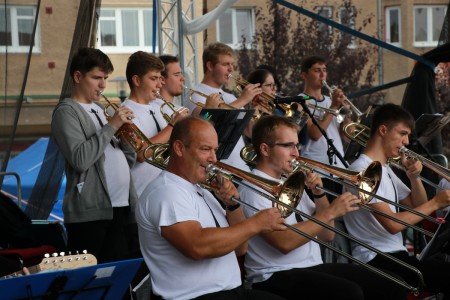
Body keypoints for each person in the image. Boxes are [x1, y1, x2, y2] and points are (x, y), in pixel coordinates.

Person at [238, 114, 408, 300]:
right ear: (265, 149)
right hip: (274, 273)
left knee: (393, 284)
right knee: (350, 293)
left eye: (297, 145)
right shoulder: (253, 187)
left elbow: (328, 235)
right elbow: (284, 243)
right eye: (288, 146)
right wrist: (330, 211)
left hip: (309, 266)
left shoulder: (290, 182)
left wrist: (319, 194)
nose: (296, 153)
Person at [135, 116, 287, 300]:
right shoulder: (166, 191)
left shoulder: (201, 189)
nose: (213, 159)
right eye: (205, 149)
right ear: (179, 148)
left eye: (215, 150)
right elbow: (196, 246)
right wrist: (256, 223)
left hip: (229, 292)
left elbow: (240, 248)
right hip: (196, 297)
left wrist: (233, 206)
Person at [343, 103, 450, 298]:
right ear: (383, 130)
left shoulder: (386, 170)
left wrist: (414, 176)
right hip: (374, 257)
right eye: (402, 133)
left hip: (394, 253)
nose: (406, 142)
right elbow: (392, 224)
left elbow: (418, 208)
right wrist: (436, 202)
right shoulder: (360, 170)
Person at [51, 48, 138, 263]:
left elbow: (128, 160)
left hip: (120, 207)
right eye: (96, 77)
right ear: (78, 76)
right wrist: (112, 125)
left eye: (105, 78)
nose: (103, 85)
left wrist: (128, 139)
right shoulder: (66, 111)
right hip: (91, 214)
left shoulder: (101, 110)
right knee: (91, 281)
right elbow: (80, 159)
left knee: (120, 278)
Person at [186, 42, 263, 171]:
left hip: (240, 166)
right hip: (217, 167)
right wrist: (243, 99)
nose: (231, 69)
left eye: (232, 64)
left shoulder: (231, 97)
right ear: (210, 66)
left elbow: (249, 132)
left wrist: (253, 106)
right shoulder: (196, 94)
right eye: (225, 64)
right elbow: (205, 119)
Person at [122, 51, 189, 197]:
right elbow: (141, 153)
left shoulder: (158, 107)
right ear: (137, 81)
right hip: (142, 193)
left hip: (166, 189)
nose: (159, 84)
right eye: (153, 79)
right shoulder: (125, 112)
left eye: (160, 78)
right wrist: (172, 126)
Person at [300, 55, 349, 196]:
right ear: (304, 75)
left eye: (324, 70)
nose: (323, 75)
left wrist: (346, 114)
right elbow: (315, 134)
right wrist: (334, 106)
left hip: (339, 169)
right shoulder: (301, 102)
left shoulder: (330, 101)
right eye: (317, 70)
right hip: (317, 172)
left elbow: (347, 137)